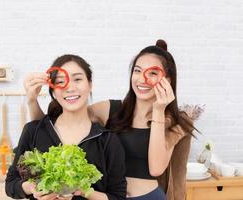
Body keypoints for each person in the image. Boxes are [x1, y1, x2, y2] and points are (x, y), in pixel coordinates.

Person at [23, 40, 197, 200]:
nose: (142, 79)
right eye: (137, 70)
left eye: (153, 73)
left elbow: (156, 168)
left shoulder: (176, 122)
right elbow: (52, 130)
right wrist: (32, 101)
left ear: (167, 80)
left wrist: (158, 110)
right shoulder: (110, 109)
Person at [6, 54, 127, 200]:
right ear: (53, 91)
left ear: (90, 84)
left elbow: (118, 197)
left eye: (77, 79)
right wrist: (32, 188)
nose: (70, 88)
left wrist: (83, 191)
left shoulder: (107, 140)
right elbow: (11, 184)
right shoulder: (33, 131)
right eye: (60, 82)